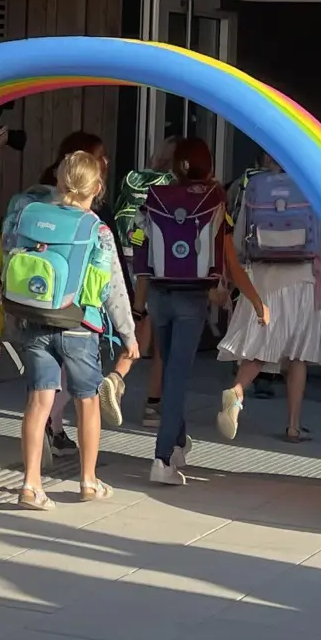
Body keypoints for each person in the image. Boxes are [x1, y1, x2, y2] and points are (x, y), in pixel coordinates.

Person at [6, 151, 138, 510]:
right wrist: (129, 334)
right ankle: (87, 480)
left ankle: (30, 484)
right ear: (96, 187)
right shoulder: (97, 229)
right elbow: (113, 289)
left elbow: (10, 257)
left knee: (38, 401)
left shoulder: (29, 215)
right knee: (88, 401)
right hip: (79, 325)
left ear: (59, 180)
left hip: (36, 319)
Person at [135, 137, 262, 486]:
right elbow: (227, 255)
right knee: (176, 377)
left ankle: (176, 443)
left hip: (159, 294)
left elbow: (143, 249)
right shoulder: (215, 197)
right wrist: (252, 298)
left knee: (169, 368)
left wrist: (138, 302)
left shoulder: (157, 196)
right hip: (194, 295)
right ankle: (162, 460)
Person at [216, 152, 321, 444]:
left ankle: (237, 391)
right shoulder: (309, 188)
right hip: (302, 282)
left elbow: (241, 237)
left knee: (261, 348)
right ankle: (294, 426)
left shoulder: (256, 186)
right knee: (298, 356)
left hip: (263, 279)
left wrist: (235, 276)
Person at [115, 136, 179, 426]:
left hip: (128, 253)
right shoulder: (174, 183)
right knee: (160, 340)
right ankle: (152, 405)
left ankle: (117, 379)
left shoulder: (133, 178)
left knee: (139, 327)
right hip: (159, 263)